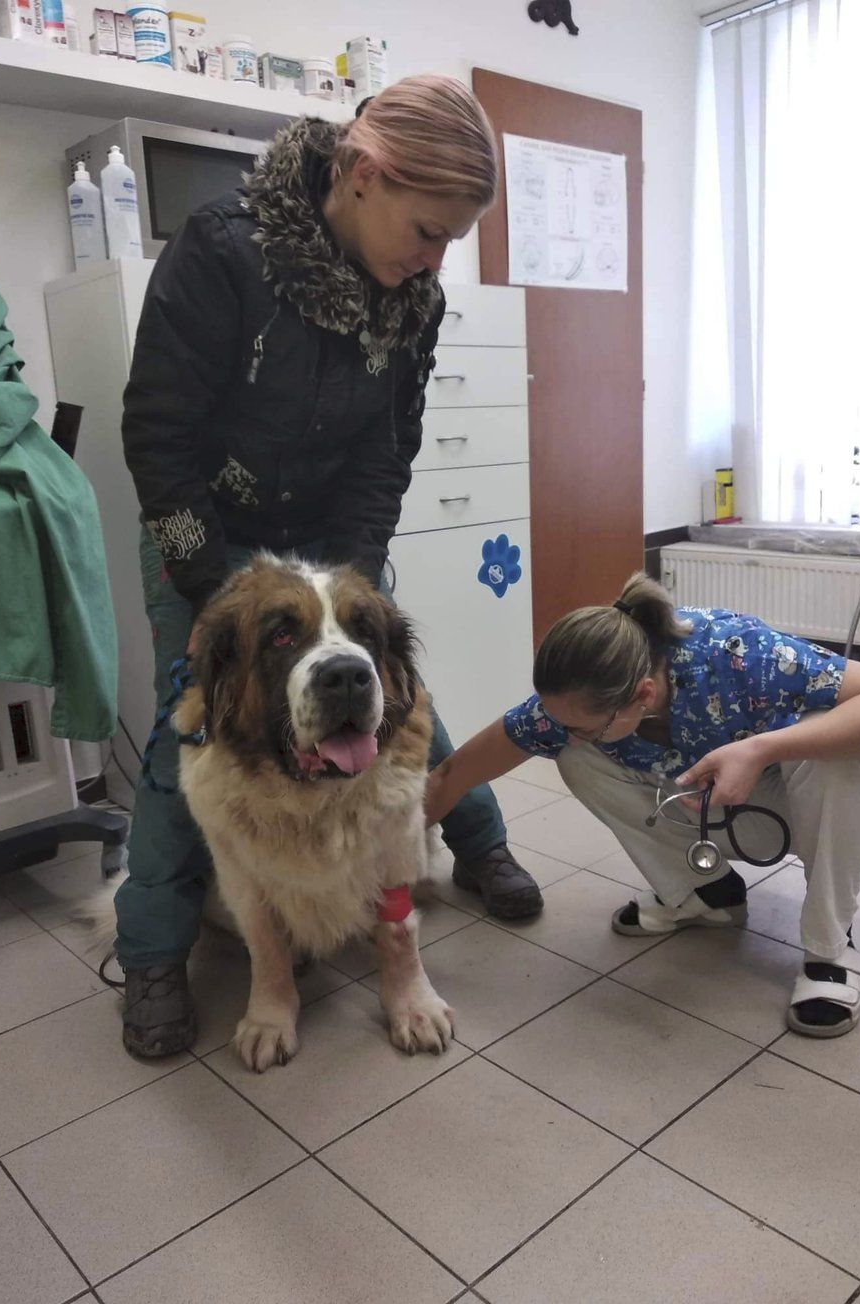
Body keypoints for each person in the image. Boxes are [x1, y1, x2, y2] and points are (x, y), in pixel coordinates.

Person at [117, 76, 543, 1060]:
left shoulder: (413, 298)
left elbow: (384, 455)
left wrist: (350, 596)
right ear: (362, 175)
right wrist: (216, 599)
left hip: (329, 532)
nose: (433, 261)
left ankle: (476, 844)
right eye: (428, 231)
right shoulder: (222, 247)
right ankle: (151, 953)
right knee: (193, 722)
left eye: (448, 242)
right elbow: (158, 436)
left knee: (391, 690)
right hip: (205, 530)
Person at [427, 571, 860, 1037]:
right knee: (577, 759)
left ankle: (831, 948)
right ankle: (705, 896)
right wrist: (383, 850)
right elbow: (452, 774)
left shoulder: (738, 653)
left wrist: (762, 748)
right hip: (707, 805)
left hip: (806, 804)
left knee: (845, 758)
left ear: (643, 693)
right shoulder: (577, 701)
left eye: (583, 725)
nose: (564, 730)